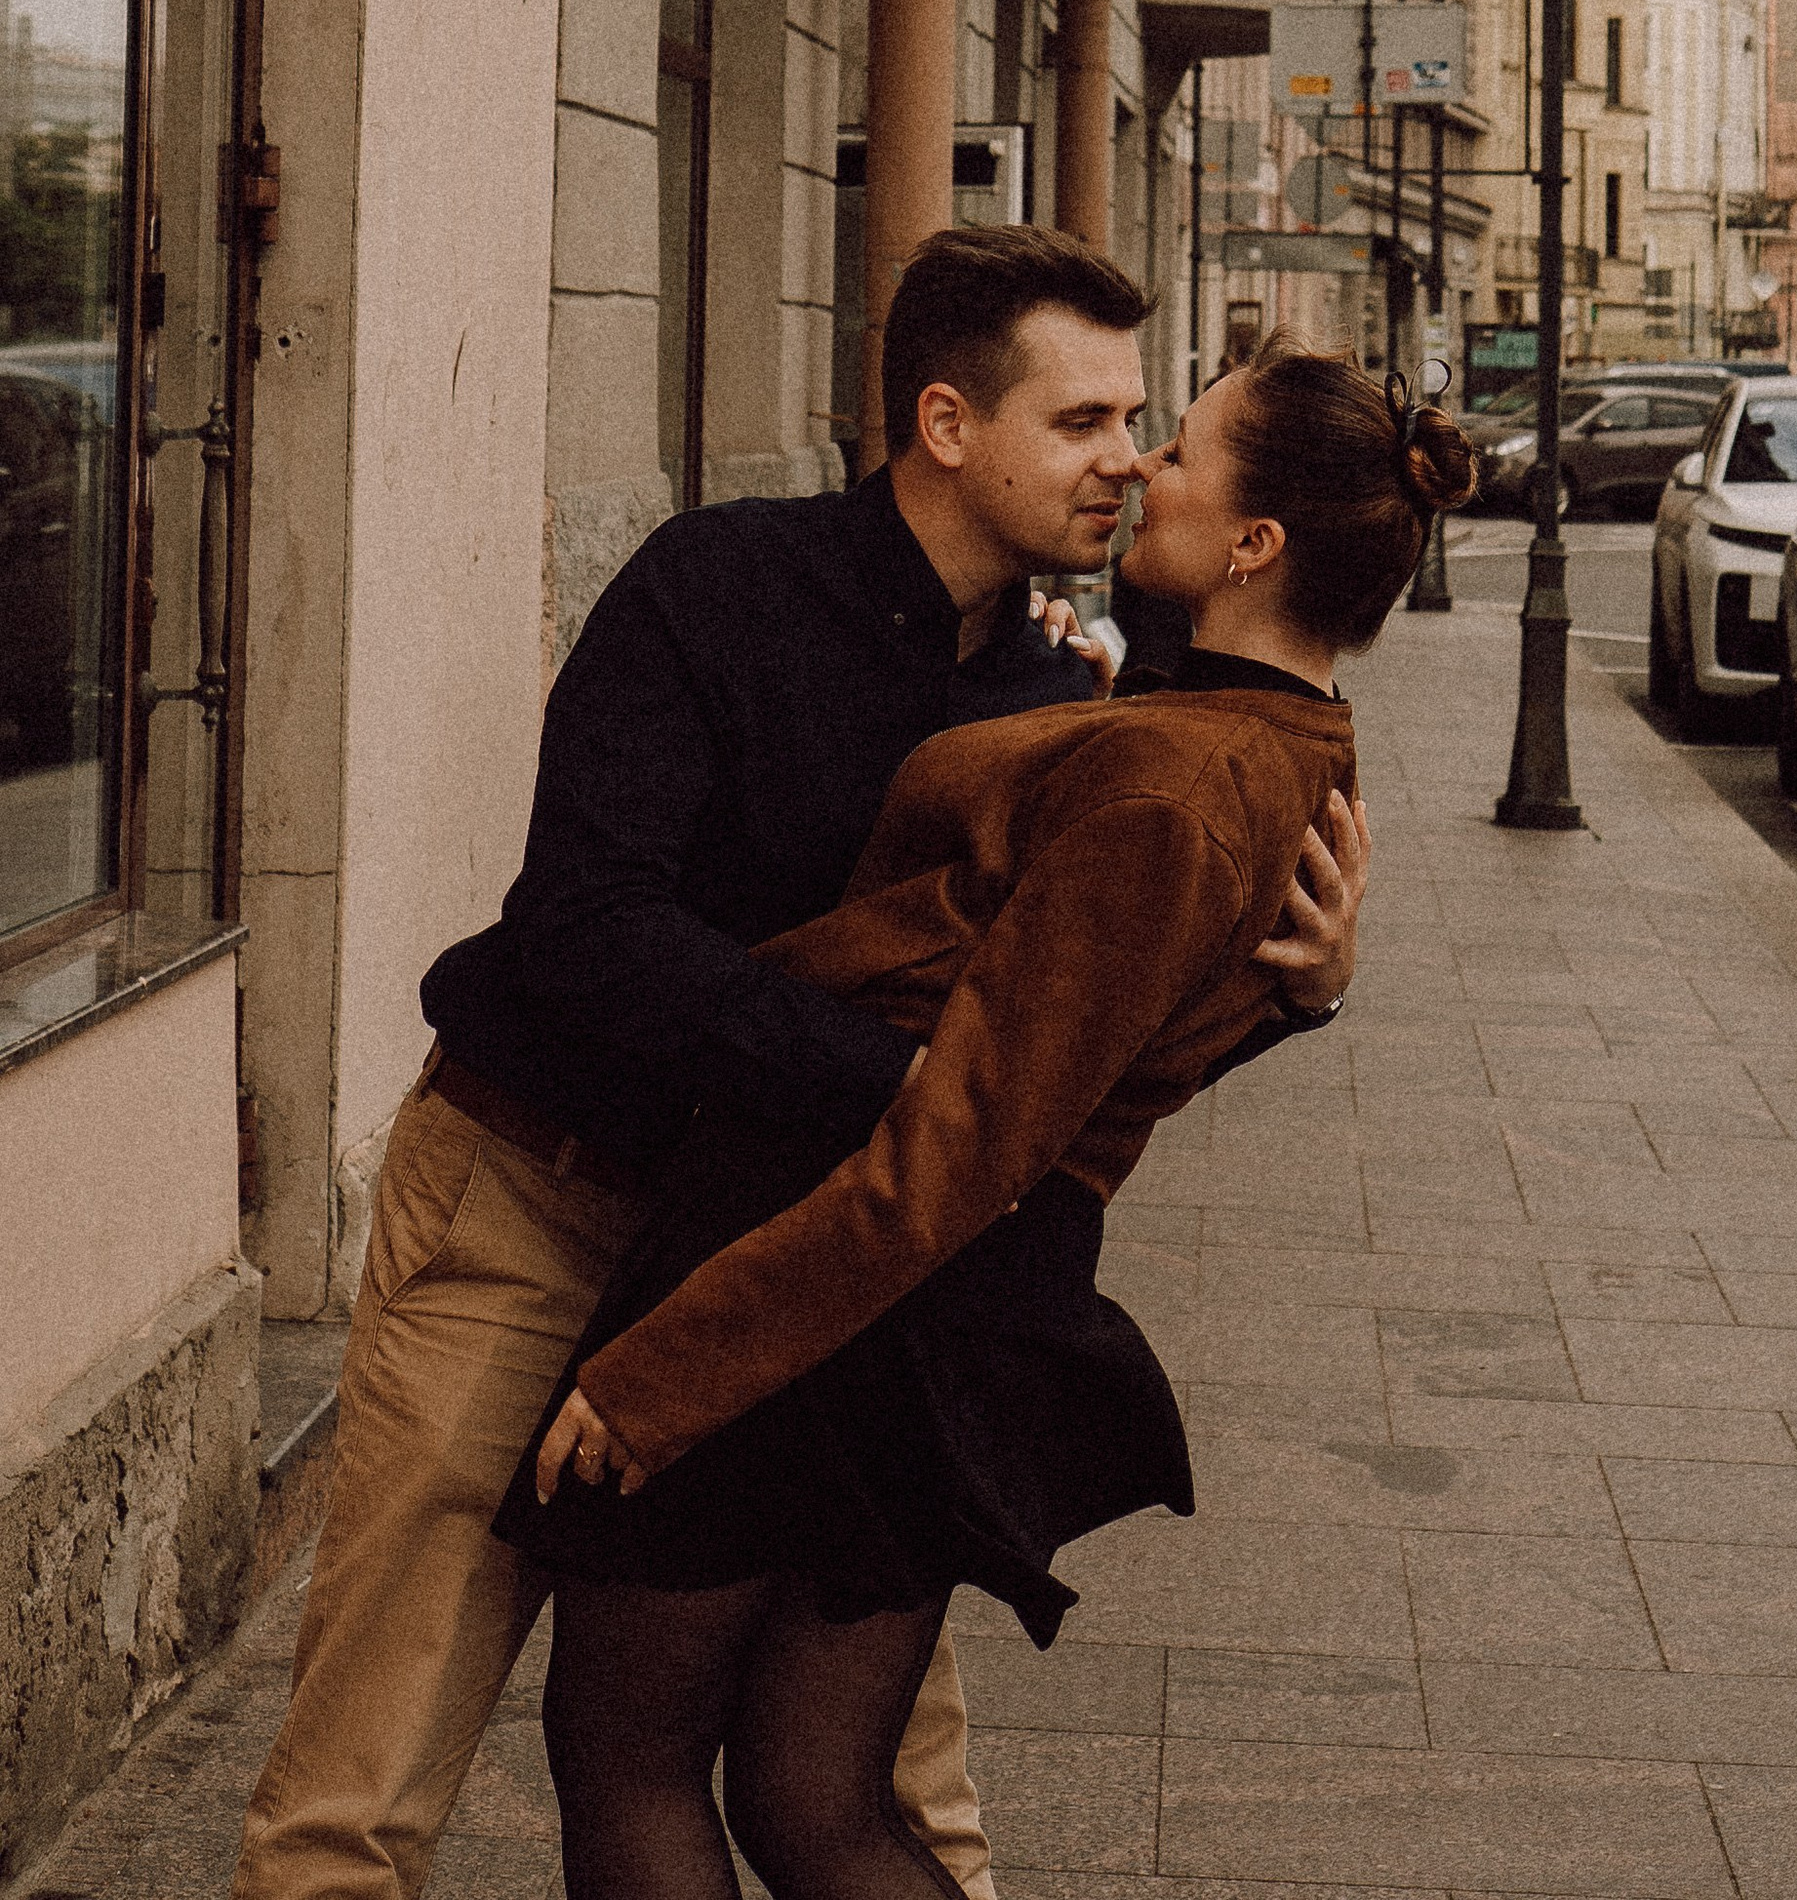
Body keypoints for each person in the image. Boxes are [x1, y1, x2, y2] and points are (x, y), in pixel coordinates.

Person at [232, 229, 1369, 1900]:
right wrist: (900, 1100)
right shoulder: (720, 584)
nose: (1127, 460)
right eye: (1084, 422)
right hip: (541, 1208)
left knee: (884, 1791)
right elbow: (585, 924)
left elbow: (1069, 1042)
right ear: (946, 423)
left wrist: (1293, 991)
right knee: (366, 1784)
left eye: (1145, 421)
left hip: (807, 1271)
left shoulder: (1065, 685)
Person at [492, 346, 1471, 1900]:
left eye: (1184, 450)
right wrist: (1295, 998)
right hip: (898, 1298)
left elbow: (970, 1141)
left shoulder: (1174, 777)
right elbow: (1107, 1050)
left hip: (822, 1275)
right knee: (815, 1802)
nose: (1145, 465)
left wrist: (666, 1369)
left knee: (636, 1761)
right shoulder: (1260, 742)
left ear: (1253, 546)